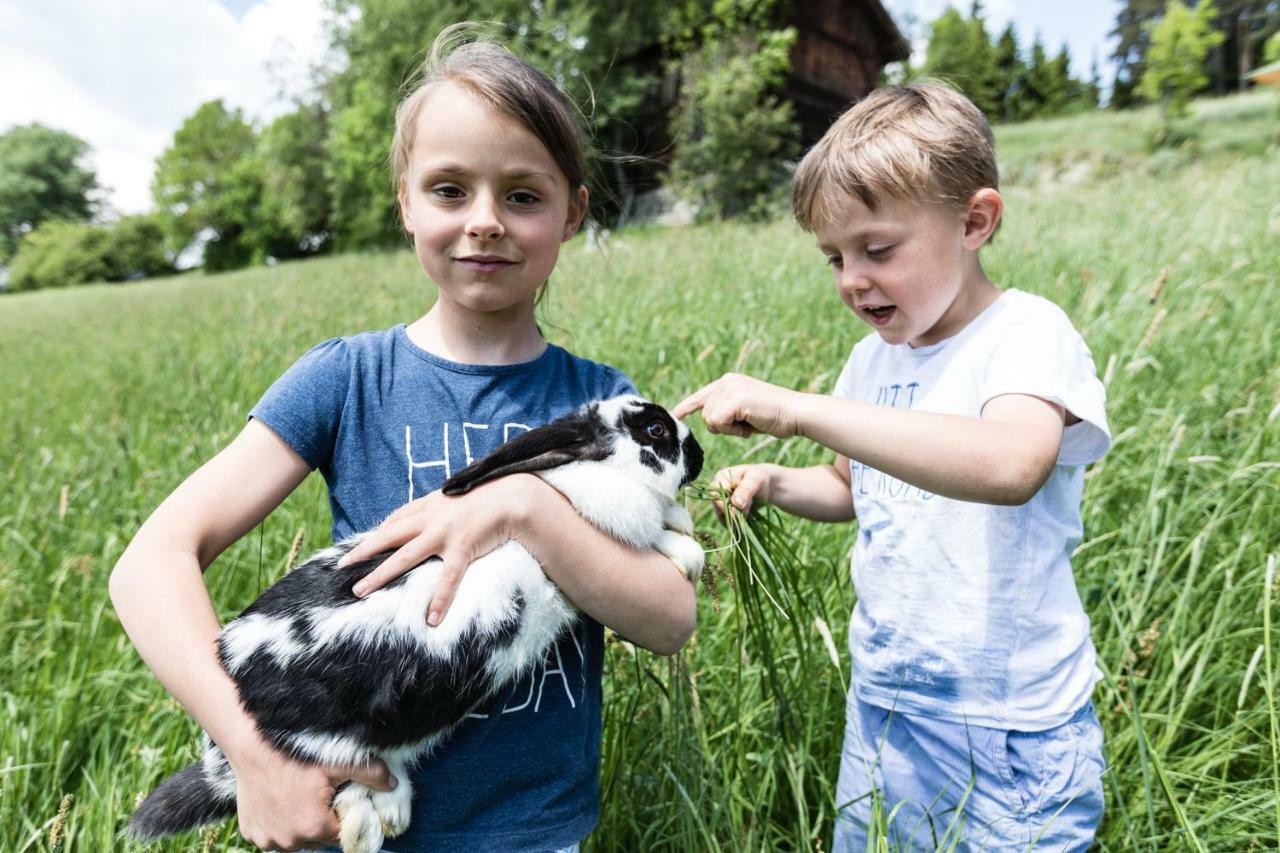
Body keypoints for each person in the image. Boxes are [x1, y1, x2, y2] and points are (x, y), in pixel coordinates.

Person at [109, 29, 697, 853]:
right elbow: (151, 561)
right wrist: (254, 756)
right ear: (406, 203)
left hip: (534, 833)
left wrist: (526, 508)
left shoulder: (603, 407)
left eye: (523, 195)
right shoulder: (345, 379)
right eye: (451, 189)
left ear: (573, 212)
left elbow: (670, 619)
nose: (485, 222)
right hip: (356, 816)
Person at [674, 82, 1111, 851]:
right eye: (835, 257)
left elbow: (1012, 464)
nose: (852, 279)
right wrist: (776, 482)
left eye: (877, 249)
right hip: (886, 706)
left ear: (975, 221)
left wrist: (800, 408)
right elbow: (852, 486)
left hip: (1009, 727)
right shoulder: (871, 362)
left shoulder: (1026, 334)